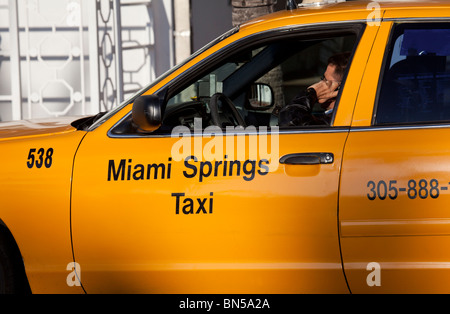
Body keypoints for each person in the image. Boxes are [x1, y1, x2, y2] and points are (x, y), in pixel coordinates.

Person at [278, 51, 351, 126]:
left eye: (325, 80)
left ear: (339, 88)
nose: (319, 83)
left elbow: (289, 122)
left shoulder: (337, 121)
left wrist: (310, 94)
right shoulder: (333, 117)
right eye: (322, 78)